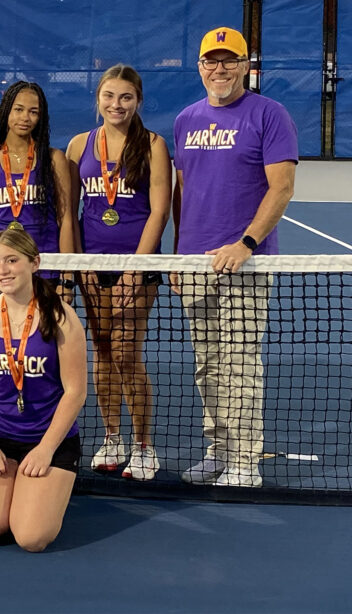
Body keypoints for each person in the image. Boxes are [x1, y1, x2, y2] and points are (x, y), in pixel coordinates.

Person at [173, 27, 297, 488]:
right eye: (211, 60)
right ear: (200, 66)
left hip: (247, 261)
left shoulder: (270, 115)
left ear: (246, 66)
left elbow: (282, 187)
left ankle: (244, 459)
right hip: (195, 264)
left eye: (230, 61)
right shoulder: (186, 119)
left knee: (240, 360)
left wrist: (245, 244)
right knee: (207, 361)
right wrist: (177, 259)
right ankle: (219, 448)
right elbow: (185, 192)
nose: (219, 69)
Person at [65, 65, 170, 480]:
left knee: (128, 353)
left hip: (136, 268)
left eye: (126, 97)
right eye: (109, 96)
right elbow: (70, 212)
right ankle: (113, 437)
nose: (117, 105)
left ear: (138, 101)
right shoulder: (78, 146)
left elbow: (159, 211)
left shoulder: (153, 145)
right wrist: (78, 266)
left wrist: (135, 268)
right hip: (92, 267)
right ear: (98, 99)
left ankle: (144, 446)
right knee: (103, 353)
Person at [0, 229, 86, 552]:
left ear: (35, 263)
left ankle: (41, 492)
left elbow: (75, 392)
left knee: (31, 538)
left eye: (12, 261)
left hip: (48, 440)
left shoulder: (62, 316)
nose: (2, 271)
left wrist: (45, 450)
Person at [0, 81, 75, 299]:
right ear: (6, 111)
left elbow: (66, 219)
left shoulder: (54, 159)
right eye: (18, 109)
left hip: (44, 264)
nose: (25, 118)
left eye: (33, 112)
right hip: (1, 267)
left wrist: (68, 276)